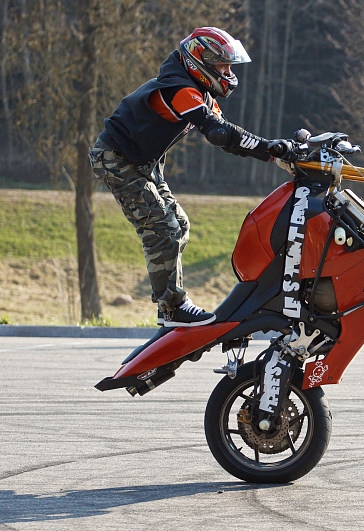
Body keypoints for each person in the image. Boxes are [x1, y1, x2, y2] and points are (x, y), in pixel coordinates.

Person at [89, 27, 291, 328]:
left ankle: (171, 303)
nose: (227, 72)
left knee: (179, 225)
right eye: (222, 65)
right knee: (164, 229)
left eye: (229, 66)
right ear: (201, 60)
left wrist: (276, 153)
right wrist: (271, 150)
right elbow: (220, 134)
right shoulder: (180, 90)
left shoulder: (199, 92)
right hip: (117, 159)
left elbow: (228, 134)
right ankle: (172, 308)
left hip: (142, 162)